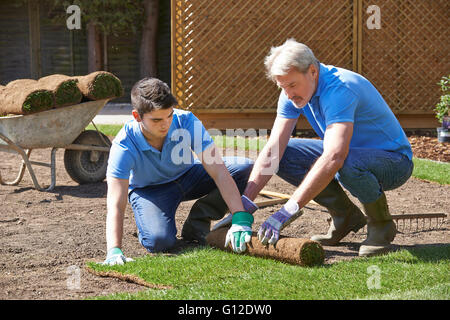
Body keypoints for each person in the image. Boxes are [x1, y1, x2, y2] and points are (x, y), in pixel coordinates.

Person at [226, 39, 413, 257]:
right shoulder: (291, 92)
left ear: (312, 71)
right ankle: (345, 216)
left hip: (394, 162)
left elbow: (335, 156)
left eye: (292, 85)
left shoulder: (340, 90)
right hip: (350, 155)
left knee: (345, 161)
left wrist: (288, 210)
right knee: (285, 153)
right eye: (282, 86)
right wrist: (245, 206)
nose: (287, 93)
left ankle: (381, 225)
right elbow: (273, 149)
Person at [102, 77, 257, 265]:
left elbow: (219, 172)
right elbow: (115, 204)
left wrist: (239, 217)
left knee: (243, 167)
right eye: (157, 120)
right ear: (137, 116)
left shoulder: (186, 121)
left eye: (169, 115)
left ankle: (197, 223)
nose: (165, 124)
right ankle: (147, 223)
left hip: (188, 176)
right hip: (150, 190)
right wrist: (114, 250)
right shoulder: (124, 145)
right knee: (160, 241)